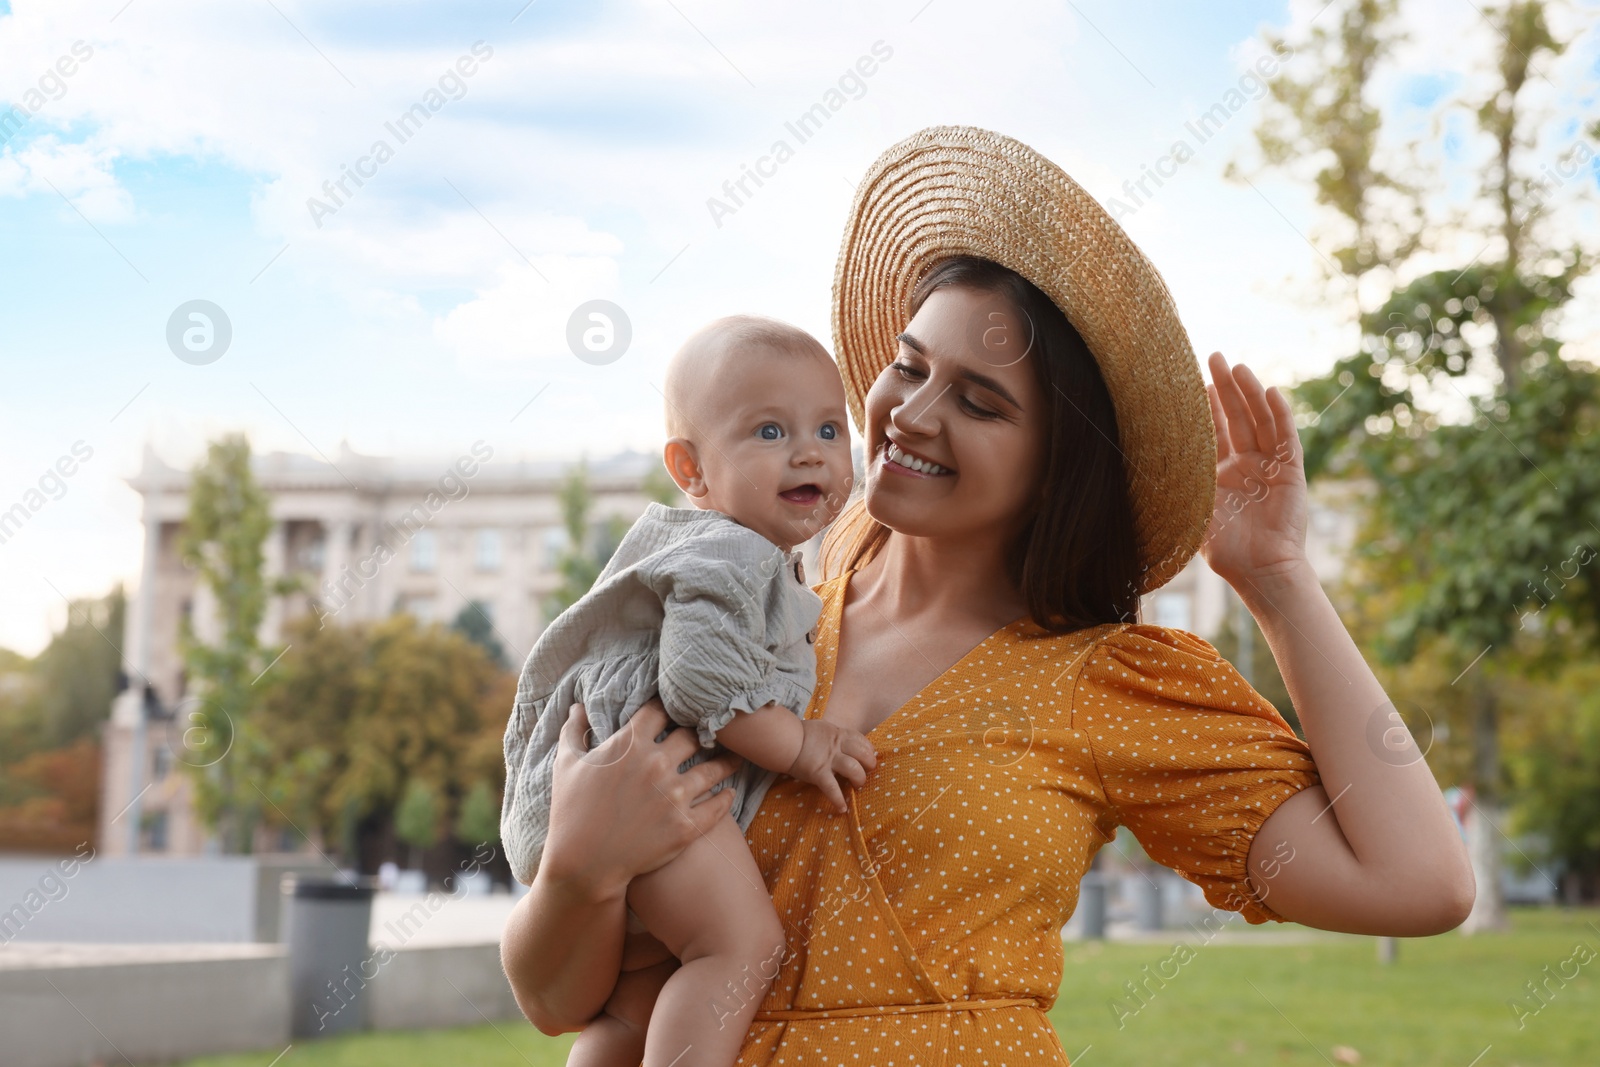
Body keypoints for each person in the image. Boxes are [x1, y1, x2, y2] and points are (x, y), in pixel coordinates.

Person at [501, 126, 1475, 1065]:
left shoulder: (1112, 677)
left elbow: (1420, 883)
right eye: (908, 366)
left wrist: (1277, 581)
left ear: (1059, 465)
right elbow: (558, 1004)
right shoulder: (760, 607)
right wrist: (579, 866)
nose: (911, 415)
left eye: (978, 400)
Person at [499, 314, 877, 1067]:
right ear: (692, 470)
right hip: (647, 771)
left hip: (607, 787)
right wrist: (800, 742)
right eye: (769, 432)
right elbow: (699, 680)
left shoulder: (740, 553)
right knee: (739, 946)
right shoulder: (731, 551)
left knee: (638, 999)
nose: (809, 450)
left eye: (831, 429)